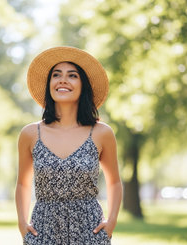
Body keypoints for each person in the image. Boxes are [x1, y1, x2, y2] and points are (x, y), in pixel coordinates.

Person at [15, 46, 123, 244]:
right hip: (42, 232)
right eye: (56, 75)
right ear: (50, 84)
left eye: (72, 75)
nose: (63, 80)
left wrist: (111, 222)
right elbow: (23, 182)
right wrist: (22, 224)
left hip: (90, 232)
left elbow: (114, 181)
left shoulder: (101, 133)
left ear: (83, 86)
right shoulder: (30, 134)